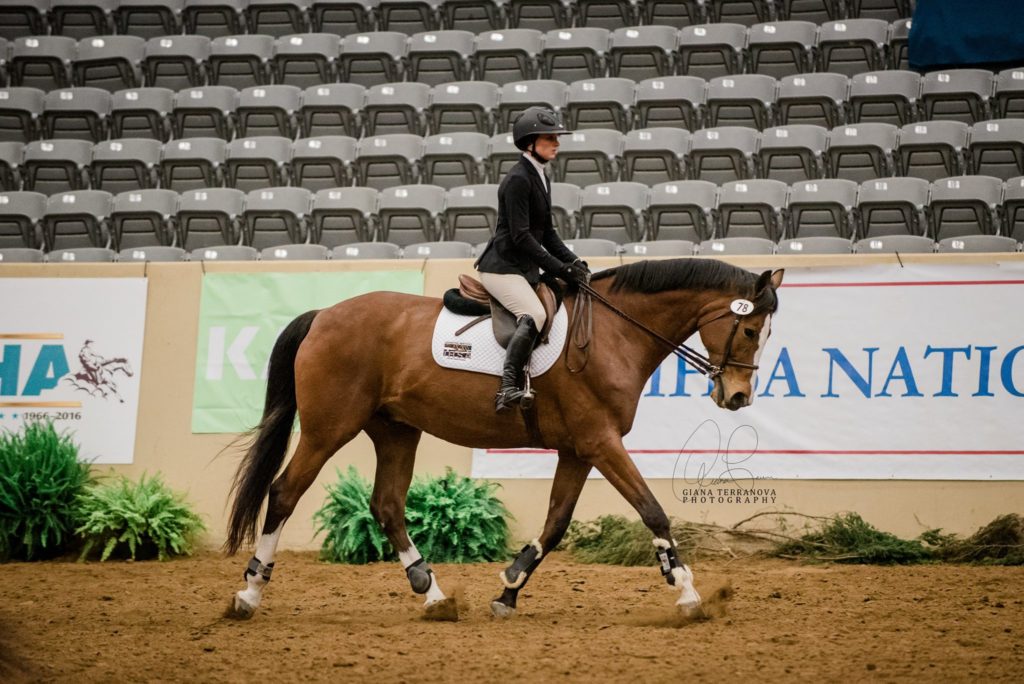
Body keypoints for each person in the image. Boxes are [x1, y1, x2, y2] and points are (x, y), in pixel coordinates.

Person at [474, 107, 592, 412]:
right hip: (501, 268)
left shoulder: (540, 176)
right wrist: (559, 268)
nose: (557, 143)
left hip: (522, 268)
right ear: (530, 143)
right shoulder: (517, 180)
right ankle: (507, 386)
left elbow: (548, 233)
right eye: (550, 138)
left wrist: (574, 262)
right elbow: (521, 237)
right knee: (535, 315)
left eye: (556, 138)